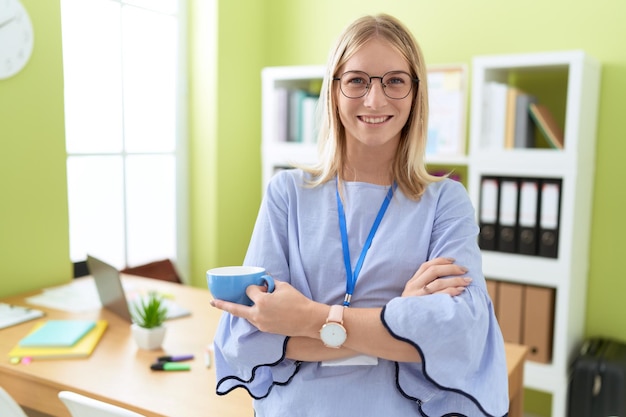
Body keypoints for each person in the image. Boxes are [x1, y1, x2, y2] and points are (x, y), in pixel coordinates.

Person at [210, 13, 508, 417]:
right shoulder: (287, 194)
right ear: (333, 90)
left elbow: (460, 334)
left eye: (395, 81)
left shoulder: (446, 201)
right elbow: (249, 330)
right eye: (356, 80)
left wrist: (307, 318)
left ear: (416, 93)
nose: (375, 99)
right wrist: (401, 319)